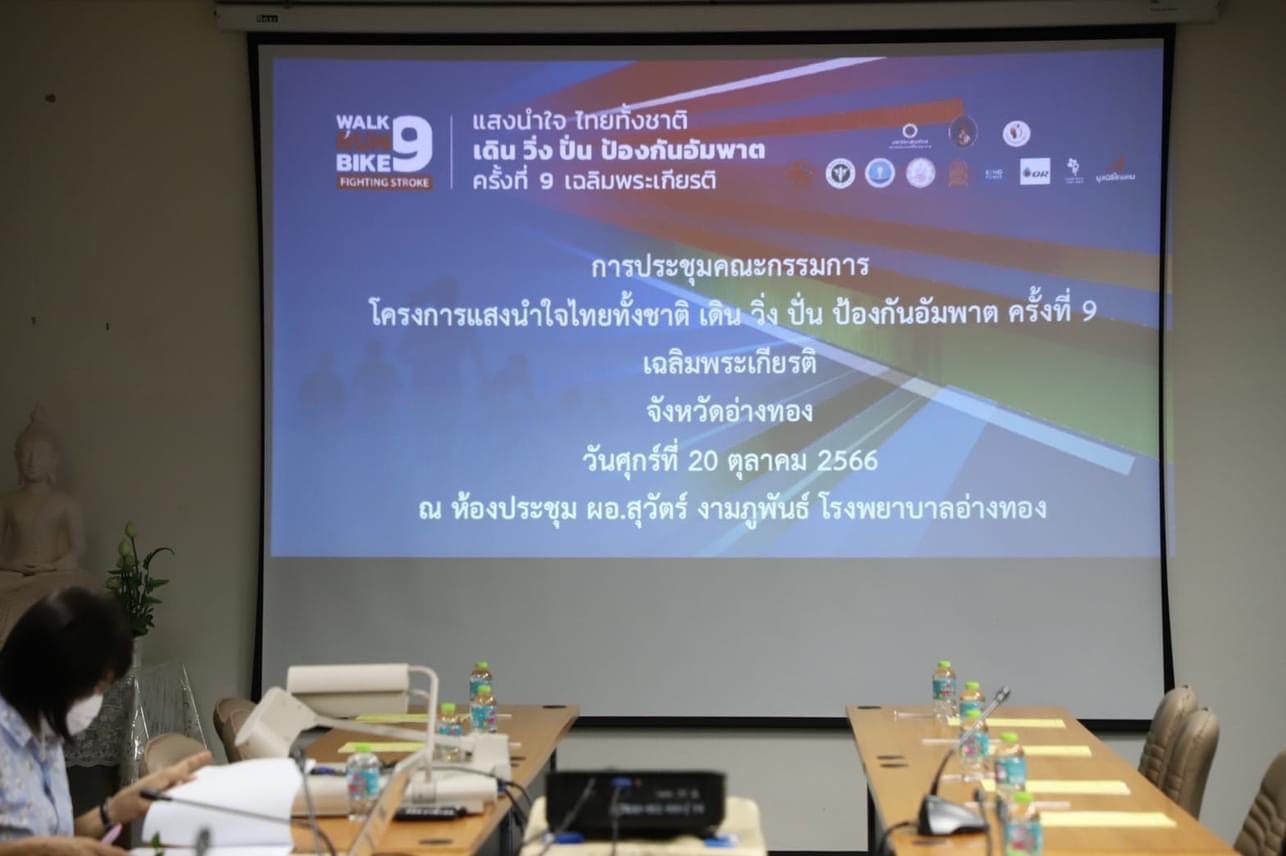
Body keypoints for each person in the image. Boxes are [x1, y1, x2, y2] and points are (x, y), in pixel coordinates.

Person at [0, 588, 212, 851]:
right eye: (97, 688)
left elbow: (57, 838)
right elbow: (46, 847)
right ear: (54, 675)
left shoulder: (46, 736)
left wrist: (114, 809)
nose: (97, 700)